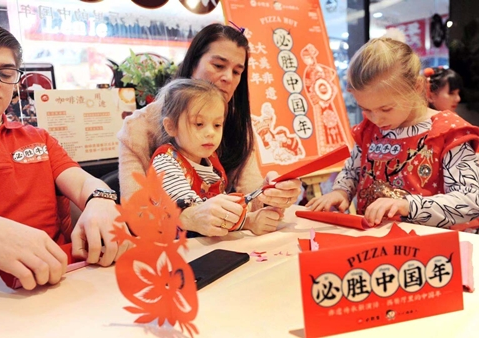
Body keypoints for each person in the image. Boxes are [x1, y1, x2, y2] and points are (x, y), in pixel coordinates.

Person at [0, 18, 130, 338]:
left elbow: (79, 181)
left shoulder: (38, 138)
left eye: (6, 73)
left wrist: (101, 199)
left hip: (64, 285)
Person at [117, 23, 303, 237]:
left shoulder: (238, 125)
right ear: (192, 64)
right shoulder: (139, 128)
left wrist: (270, 195)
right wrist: (189, 216)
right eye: (218, 65)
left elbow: (248, 198)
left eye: (236, 71)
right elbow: (136, 215)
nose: (228, 78)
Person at [306, 37, 479, 229]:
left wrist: (407, 206)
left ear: (417, 87)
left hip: (429, 248)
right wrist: (341, 192)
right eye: (366, 109)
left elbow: (470, 200)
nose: (377, 119)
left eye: (386, 109)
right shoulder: (369, 130)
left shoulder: (448, 132)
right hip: (374, 243)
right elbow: (352, 170)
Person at [150, 78, 257, 235]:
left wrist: (250, 219)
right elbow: (194, 210)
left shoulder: (210, 161)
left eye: (217, 125)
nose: (210, 133)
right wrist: (244, 218)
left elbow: (220, 213)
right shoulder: (165, 162)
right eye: (199, 124)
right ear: (171, 126)